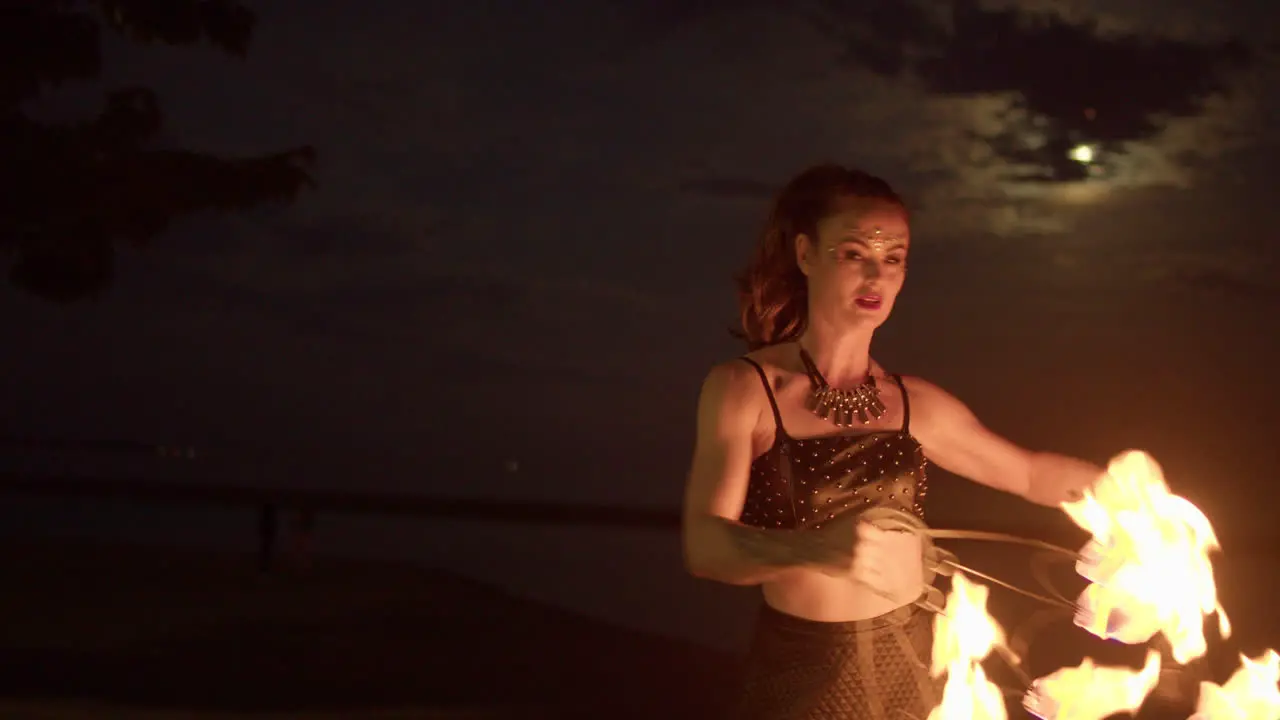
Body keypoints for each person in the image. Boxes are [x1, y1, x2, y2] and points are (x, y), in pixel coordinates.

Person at [681, 164, 1103, 720]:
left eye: (894, 258)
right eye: (855, 254)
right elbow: (705, 547)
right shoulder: (746, 389)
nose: (876, 276)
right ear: (806, 254)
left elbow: (1028, 474)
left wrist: (1136, 498)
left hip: (915, 666)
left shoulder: (914, 404)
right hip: (806, 676)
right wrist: (815, 549)